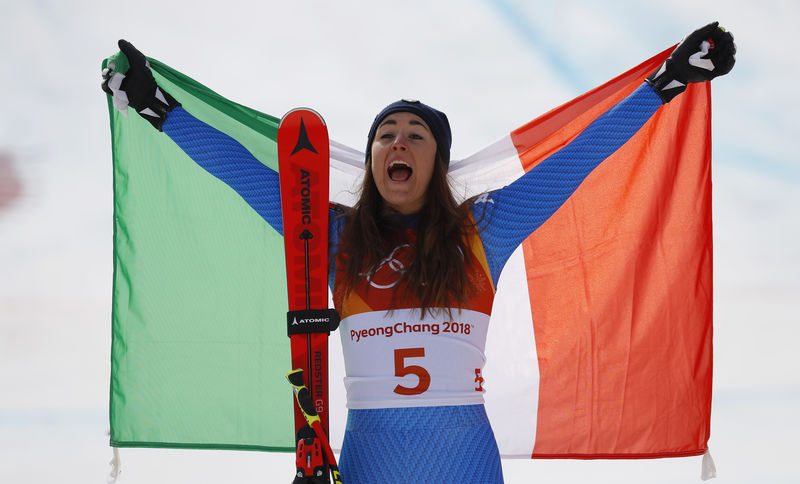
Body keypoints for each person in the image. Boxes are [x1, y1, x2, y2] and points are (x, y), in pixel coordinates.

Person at [102, 22, 735, 483]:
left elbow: (579, 158)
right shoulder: (332, 236)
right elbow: (244, 173)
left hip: (465, 462)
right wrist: (157, 107)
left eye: (414, 135)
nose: (396, 144)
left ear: (437, 160)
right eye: (384, 136)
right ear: (373, 156)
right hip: (369, 460)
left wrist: (668, 82)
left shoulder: (485, 228)